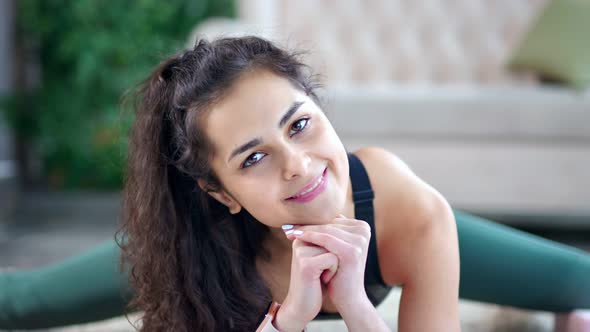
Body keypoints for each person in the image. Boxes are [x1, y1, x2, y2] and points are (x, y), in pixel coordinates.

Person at [1, 36, 589, 331]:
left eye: (301, 125)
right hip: (217, 239)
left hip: (385, 225)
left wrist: (357, 307)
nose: (299, 166)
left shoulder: (413, 212)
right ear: (221, 190)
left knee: (580, 283)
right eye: (253, 158)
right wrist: (288, 320)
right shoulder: (189, 241)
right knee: (24, 304)